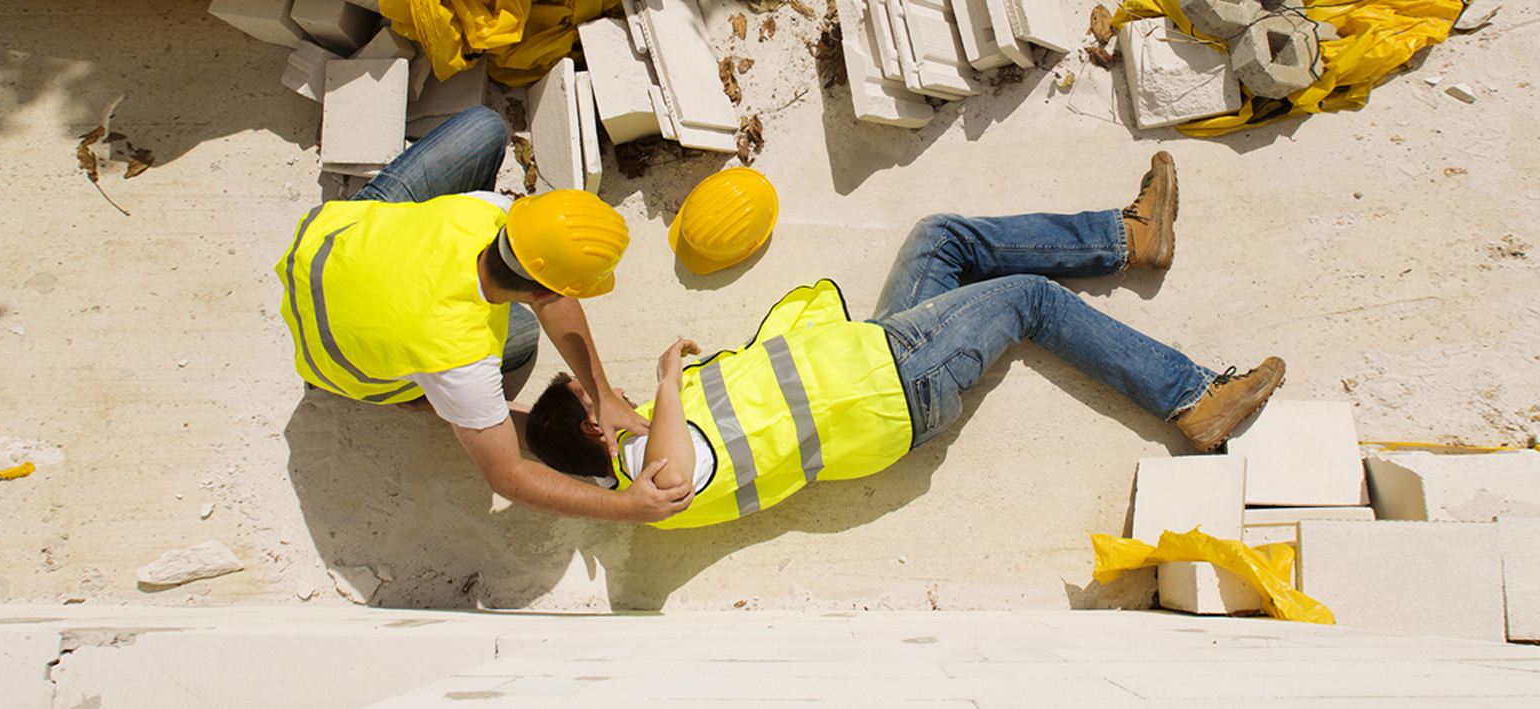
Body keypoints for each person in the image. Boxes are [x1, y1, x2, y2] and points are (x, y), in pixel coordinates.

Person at [524, 153, 1287, 528]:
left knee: (940, 238)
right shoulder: (652, 479)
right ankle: (1192, 397)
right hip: (899, 384)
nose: (606, 385)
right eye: (591, 391)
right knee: (1028, 300)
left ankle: (1128, 237)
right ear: (595, 425)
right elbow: (677, 473)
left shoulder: (632, 452)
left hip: (874, 353)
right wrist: (661, 381)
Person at [276, 106, 694, 522]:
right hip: (331, 356)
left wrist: (601, 395)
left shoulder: (482, 211)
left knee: (486, 127)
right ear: (541, 290)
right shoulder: (461, 357)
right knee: (523, 336)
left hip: (328, 244)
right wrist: (625, 506)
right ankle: (417, 395)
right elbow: (507, 476)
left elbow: (551, 292)